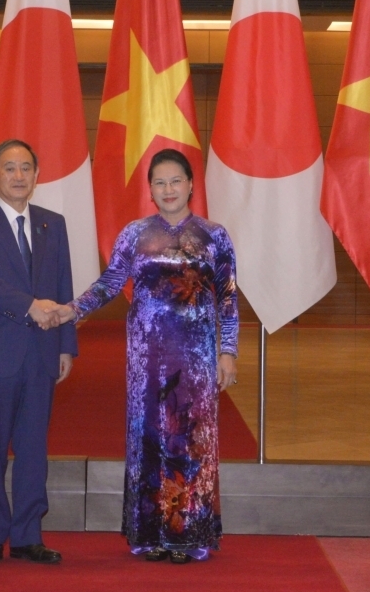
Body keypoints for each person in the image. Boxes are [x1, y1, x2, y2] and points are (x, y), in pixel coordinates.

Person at [53, 148, 238, 564]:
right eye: (160, 182)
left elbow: (227, 299)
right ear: (150, 190)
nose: (168, 189)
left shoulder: (215, 235)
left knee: (193, 440)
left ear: (191, 185)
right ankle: (151, 533)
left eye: (176, 181)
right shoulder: (135, 234)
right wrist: (73, 309)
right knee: (149, 440)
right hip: (146, 359)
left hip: (196, 359)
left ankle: (189, 535)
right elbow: (110, 282)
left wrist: (228, 352)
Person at [0, 139, 77, 568]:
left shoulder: (53, 224)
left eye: (27, 168)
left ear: (37, 175)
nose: (19, 176)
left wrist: (66, 346)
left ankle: (27, 535)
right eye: (10, 168)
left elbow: (63, 286)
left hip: (41, 355)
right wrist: (29, 306)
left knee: (32, 449)